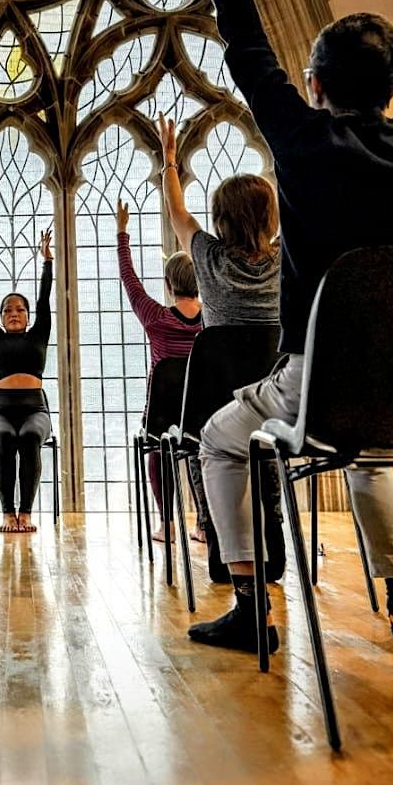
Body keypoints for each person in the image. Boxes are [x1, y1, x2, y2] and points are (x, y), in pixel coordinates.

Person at [182, 0, 393, 656]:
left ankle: (249, 603)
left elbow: (245, 48)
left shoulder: (302, 143)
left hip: (320, 380)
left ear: (312, 87)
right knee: (366, 453)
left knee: (220, 437)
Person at [158, 114, 283, 576]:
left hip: (220, 403)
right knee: (268, 462)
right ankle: (276, 554)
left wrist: (170, 160)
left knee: (221, 452)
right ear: (271, 217)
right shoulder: (286, 260)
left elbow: (176, 214)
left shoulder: (209, 258)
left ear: (219, 221)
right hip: (279, 399)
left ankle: (228, 559)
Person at [116, 207, 202, 539]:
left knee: (156, 446)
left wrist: (122, 233)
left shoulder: (155, 318)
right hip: (202, 413)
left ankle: (166, 524)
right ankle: (203, 525)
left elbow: (129, 278)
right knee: (204, 447)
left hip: (162, 414)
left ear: (168, 286)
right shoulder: (213, 320)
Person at [0, 227, 54, 532]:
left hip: (35, 409)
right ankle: (8, 513)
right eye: (7, 309)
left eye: (20, 308)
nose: (13, 312)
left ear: (28, 315)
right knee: (7, 439)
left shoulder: (39, 334)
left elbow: (45, 297)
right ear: (0, 316)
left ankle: (27, 513)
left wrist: (47, 261)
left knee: (30, 437)